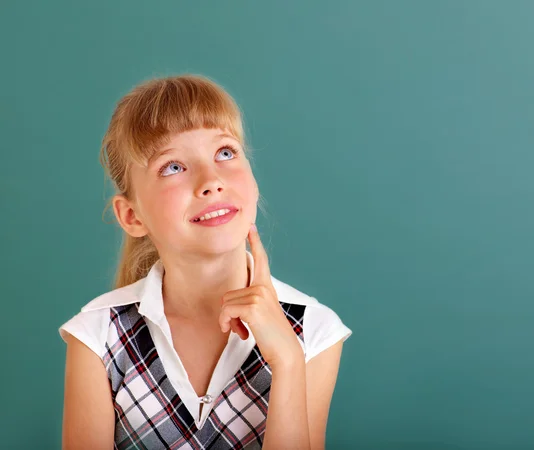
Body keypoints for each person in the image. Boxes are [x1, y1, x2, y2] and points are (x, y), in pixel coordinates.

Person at [58, 74, 352, 450]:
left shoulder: (313, 329)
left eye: (225, 153)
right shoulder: (98, 336)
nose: (211, 180)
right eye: (173, 167)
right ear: (132, 216)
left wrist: (289, 362)